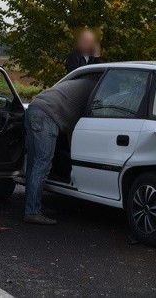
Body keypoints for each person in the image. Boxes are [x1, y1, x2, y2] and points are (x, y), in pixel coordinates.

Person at [24, 77, 98, 225]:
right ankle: (32, 212)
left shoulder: (82, 81)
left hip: (34, 108)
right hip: (47, 116)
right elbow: (75, 125)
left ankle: (33, 206)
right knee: (41, 165)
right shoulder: (95, 91)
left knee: (34, 164)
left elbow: (71, 126)